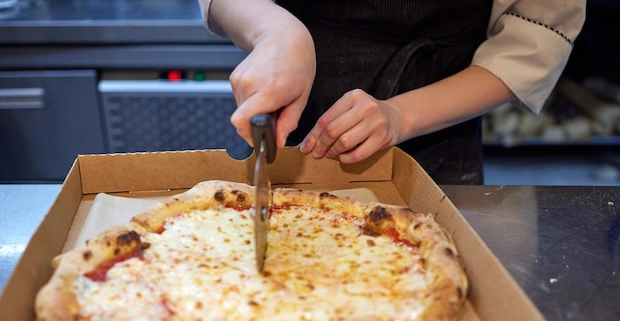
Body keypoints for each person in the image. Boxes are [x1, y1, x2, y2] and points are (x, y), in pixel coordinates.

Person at [198, 0, 586, 184]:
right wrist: (276, 33)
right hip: (292, 97)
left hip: (440, 124)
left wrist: (401, 116)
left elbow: (534, 40)